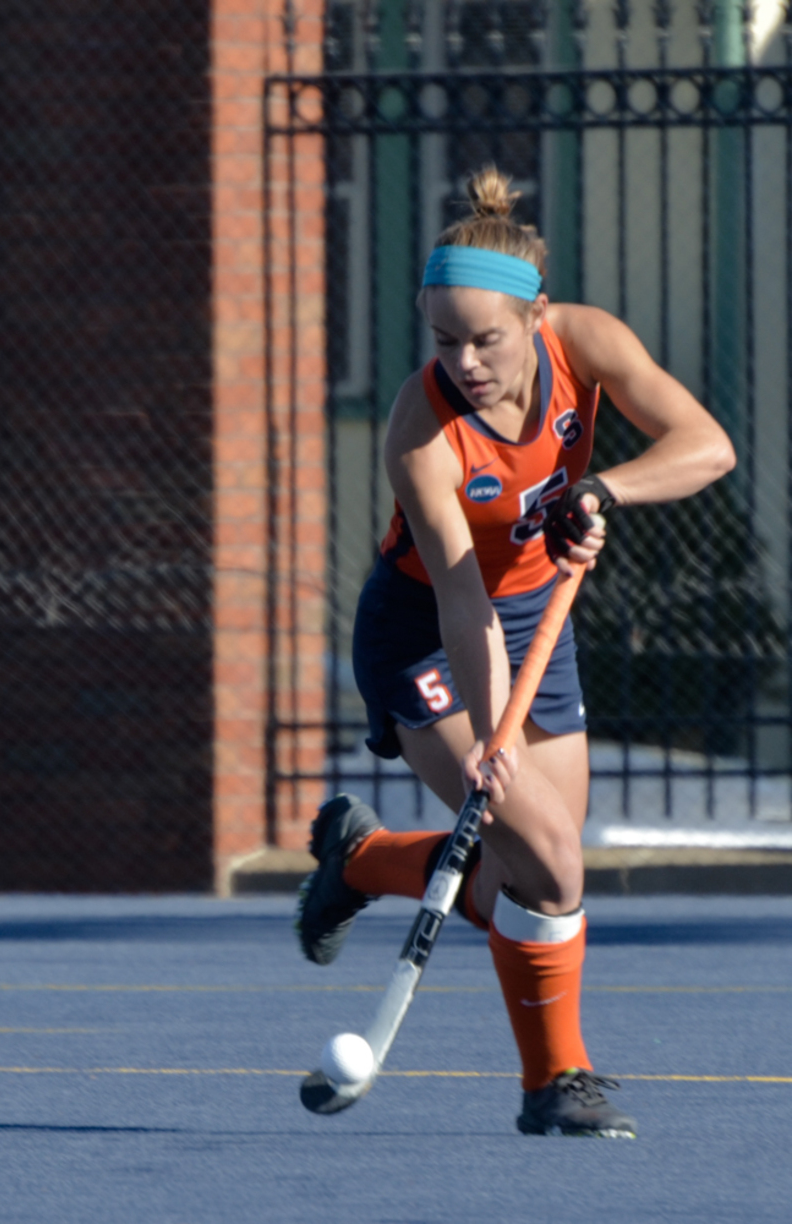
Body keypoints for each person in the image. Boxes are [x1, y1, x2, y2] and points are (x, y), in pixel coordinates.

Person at [296, 166, 736, 1137]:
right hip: (427, 634)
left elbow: (707, 447)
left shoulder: (587, 342)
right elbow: (463, 601)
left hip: (542, 616)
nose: (464, 362)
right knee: (551, 862)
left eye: (485, 339)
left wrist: (604, 490)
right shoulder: (421, 431)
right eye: (443, 340)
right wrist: (494, 737)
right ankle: (554, 1083)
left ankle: (361, 859)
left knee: (524, 881)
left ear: (536, 316)